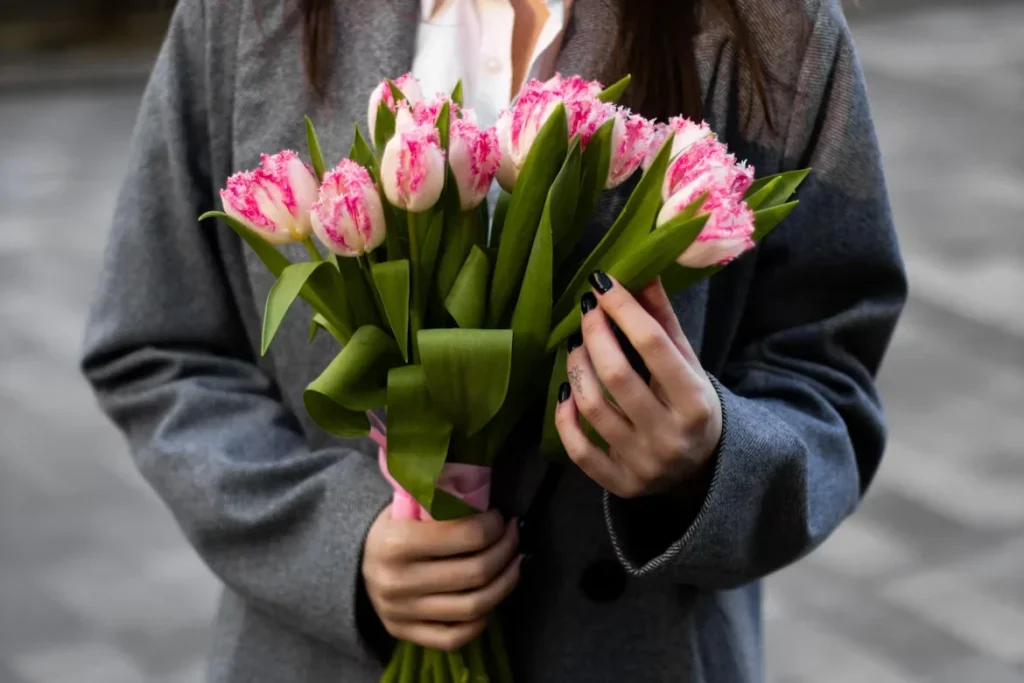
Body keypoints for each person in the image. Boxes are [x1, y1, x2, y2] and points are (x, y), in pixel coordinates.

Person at [81, 0, 906, 681]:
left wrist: (710, 460)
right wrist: (341, 542)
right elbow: (157, 346)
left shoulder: (774, 31)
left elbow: (827, 375)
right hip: (317, 655)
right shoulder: (245, 18)